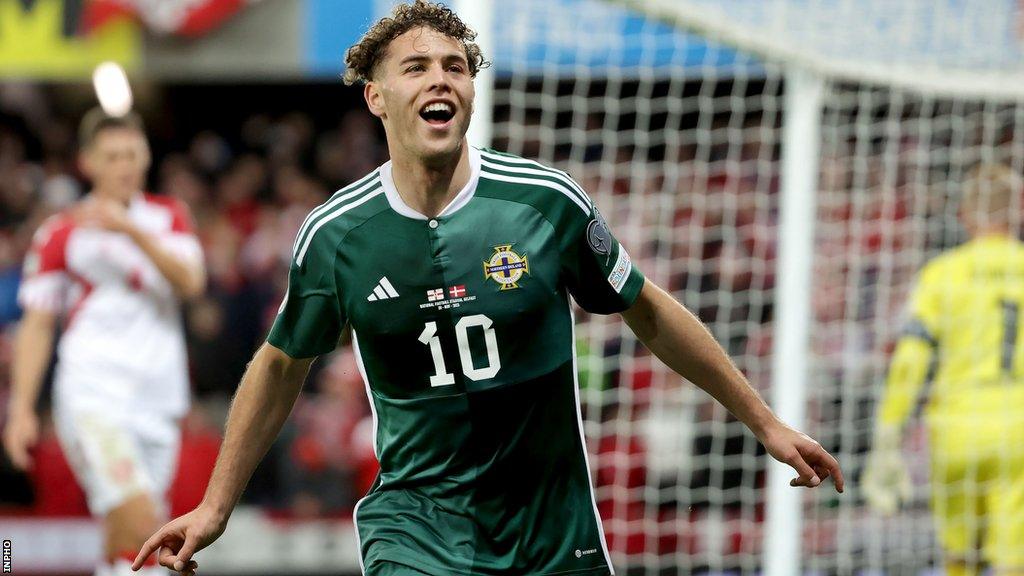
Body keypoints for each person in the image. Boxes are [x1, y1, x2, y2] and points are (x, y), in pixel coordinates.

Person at [133, 2, 843, 575]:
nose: (441, 79)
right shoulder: (338, 236)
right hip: (418, 529)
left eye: (455, 66)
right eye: (416, 67)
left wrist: (768, 425)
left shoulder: (544, 203)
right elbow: (281, 363)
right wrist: (216, 506)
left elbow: (648, 310)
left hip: (550, 531)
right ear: (377, 97)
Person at [2, 109, 205, 576]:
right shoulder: (61, 233)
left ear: (147, 156)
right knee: (142, 525)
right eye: (112, 156)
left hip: (158, 399)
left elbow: (191, 282)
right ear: (87, 162)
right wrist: (21, 409)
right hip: (93, 396)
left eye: (132, 154)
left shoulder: (168, 218)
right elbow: (36, 325)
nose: (124, 166)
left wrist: (131, 230)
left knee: (133, 543)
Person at [863, 164, 1024, 576]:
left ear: (966, 215)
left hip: (956, 429)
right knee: (1012, 560)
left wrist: (888, 435)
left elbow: (910, 362)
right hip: (1018, 430)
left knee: (959, 558)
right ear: (1017, 211)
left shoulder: (942, 274)